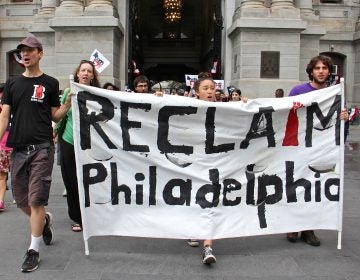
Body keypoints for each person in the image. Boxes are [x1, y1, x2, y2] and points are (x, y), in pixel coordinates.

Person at [0, 36, 71, 272]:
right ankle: (45, 221)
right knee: (22, 201)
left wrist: (67, 104)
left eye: (30, 50)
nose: (25, 54)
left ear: (40, 53)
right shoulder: (11, 84)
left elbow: (55, 116)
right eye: (22, 51)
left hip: (42, 148)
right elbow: (4, 115)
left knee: (36, 199)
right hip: (18, 149)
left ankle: (33, 250)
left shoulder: (50, 83)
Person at [286, 55, 348, 246]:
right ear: (311, 71)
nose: (321, 71)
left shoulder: (334, 94)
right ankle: (292, 226)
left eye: (324, 68)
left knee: (314, 188)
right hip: (299, 147)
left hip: (320, 148)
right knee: (296, 186)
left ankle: (308, 229)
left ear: (329, 72)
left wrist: (344, 118)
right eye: (317, 68)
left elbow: (337, 125)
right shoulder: (298, 90)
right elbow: (285, 114)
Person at [59, 60, 101, 234]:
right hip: (68, 142)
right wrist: (68, 103)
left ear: (93, 76)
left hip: (89, 144)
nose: (85, 73)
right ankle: (76, 217)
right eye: (82, 70)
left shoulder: (98, 94)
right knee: (71, 181)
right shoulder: (69, 91)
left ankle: (91, 214)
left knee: (89, 181)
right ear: (77, 73)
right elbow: (61, 115)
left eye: (89, 71)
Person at [0, 83, 11, 211]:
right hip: (2, 147)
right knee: (2, 176)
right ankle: (1, 201)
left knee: (20, 175)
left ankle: (21, 197)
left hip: (16, 146)